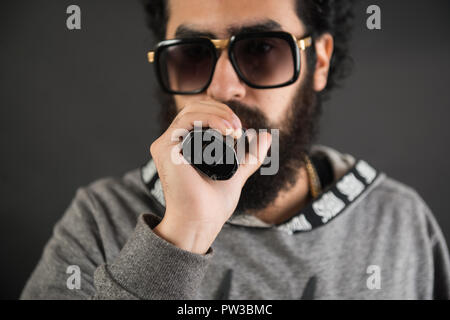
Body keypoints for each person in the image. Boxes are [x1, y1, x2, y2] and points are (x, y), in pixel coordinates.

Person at [21, 0, 450, 299]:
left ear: (318, 62)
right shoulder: (99, 220)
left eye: (262, 49)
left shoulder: (400, 223)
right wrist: (181, 235)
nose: (223, 88)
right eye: (192, 54)